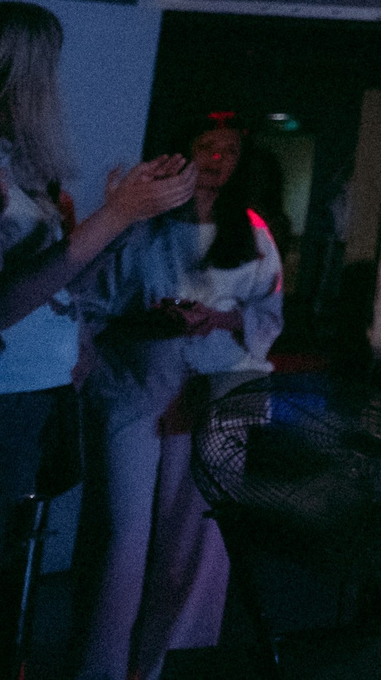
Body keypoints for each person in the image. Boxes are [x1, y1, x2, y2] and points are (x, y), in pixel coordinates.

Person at [0, 3, 195, 669]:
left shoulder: (18, 167)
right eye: (48, 66)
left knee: (11, 567)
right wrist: (117, 215)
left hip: (33, 394)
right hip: (4, 398)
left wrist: (123, 222)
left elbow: (57, 286)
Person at [75, 113, 283, 680]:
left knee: (189, 542)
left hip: (212, 397)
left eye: (230, 150)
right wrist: (148, 322)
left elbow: (268, 314)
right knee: (123, 539)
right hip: (136, 389)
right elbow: (91, 306)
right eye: (206, 146)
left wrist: (217, 318)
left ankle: (159, 664)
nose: (217, 158)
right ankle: (100, 667)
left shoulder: (253, 233)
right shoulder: (141, 228)